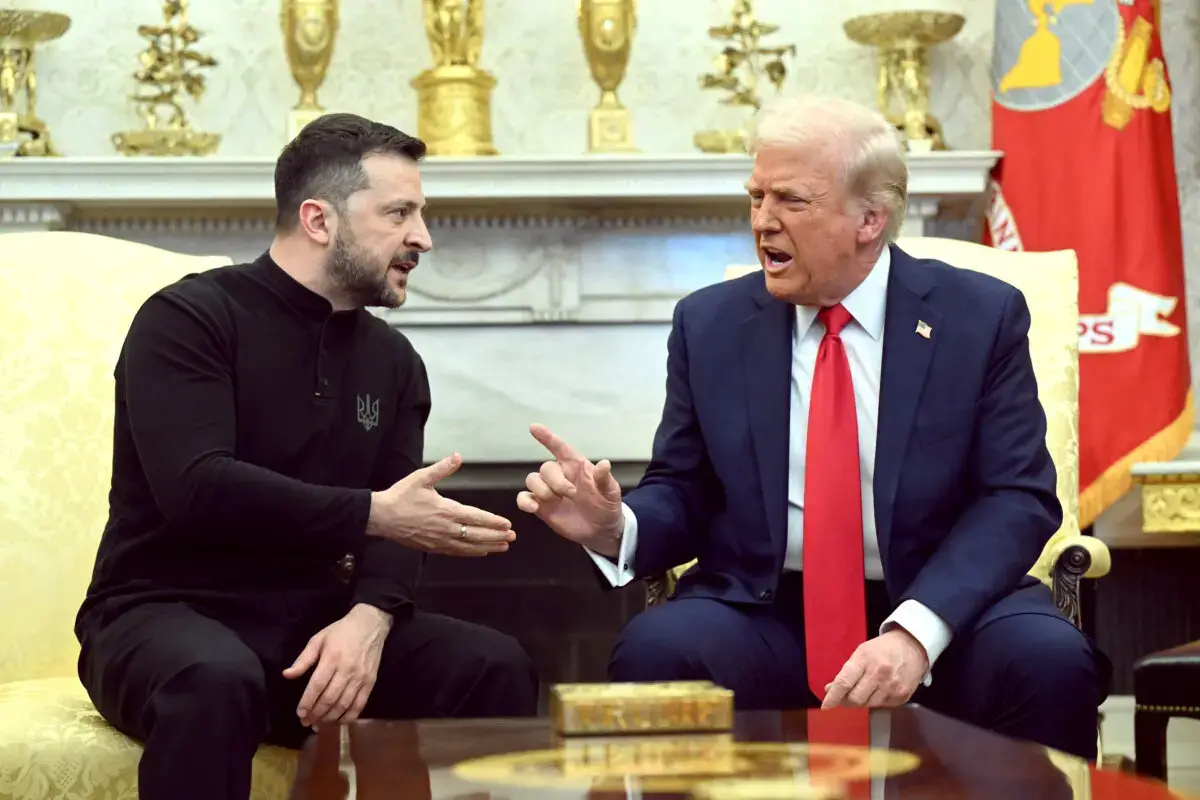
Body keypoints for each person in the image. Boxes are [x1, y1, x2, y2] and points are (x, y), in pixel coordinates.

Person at [517, 94, 1107, 761]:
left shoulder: (979, 316)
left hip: (944, 599)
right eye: (755, 196)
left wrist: (915, 632)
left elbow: (1016, 497)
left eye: (791, 201)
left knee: (1048, 659)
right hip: (766, 607)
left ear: (870, 219)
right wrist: (615, 527)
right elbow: (683, 487)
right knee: (658, 649)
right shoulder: (710, 324)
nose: (762, 222)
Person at [74, 113, 539, 800]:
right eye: (399, 213)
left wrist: (368, 619)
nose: (424, 238)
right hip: (160, 614)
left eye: (421, 213)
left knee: (490, 664)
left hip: (312, 625)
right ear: (319, 220)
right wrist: (373, 514)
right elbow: (197, 488)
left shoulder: (394, 361)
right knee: (215, 678)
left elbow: (399, 517)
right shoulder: (189, 320)